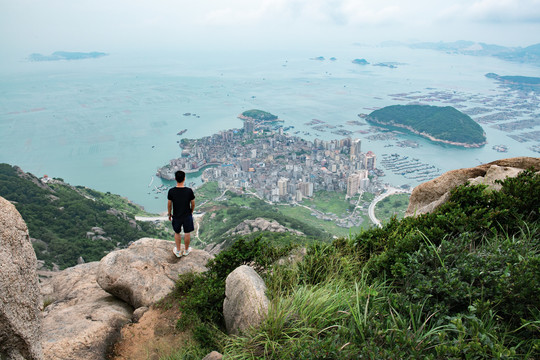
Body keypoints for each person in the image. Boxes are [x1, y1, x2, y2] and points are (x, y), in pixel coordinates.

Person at [167, 170, 195, 257]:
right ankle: (186, 250)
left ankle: (178, 251)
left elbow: (169, 204)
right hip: (187, 215)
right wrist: (191, 211)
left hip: (176, 215)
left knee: (177, 232)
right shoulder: (189, 191)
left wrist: (169, 214)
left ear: (175, 179)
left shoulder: (171, 191)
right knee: (187, 232)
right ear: (184, 178)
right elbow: (193, 203)